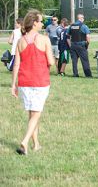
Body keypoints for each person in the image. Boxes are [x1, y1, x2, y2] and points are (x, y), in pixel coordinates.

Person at [11, 10, 55, 155]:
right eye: (41, 21)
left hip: (24, 82)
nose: (43, 24)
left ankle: (36, 144)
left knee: (32, 114)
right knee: (36, 114)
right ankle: (24, 141)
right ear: (35, 23)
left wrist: (13, 85)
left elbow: (16, 64)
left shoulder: (20, 41)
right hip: (40, 81)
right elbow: (51, 62)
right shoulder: (44, 39)